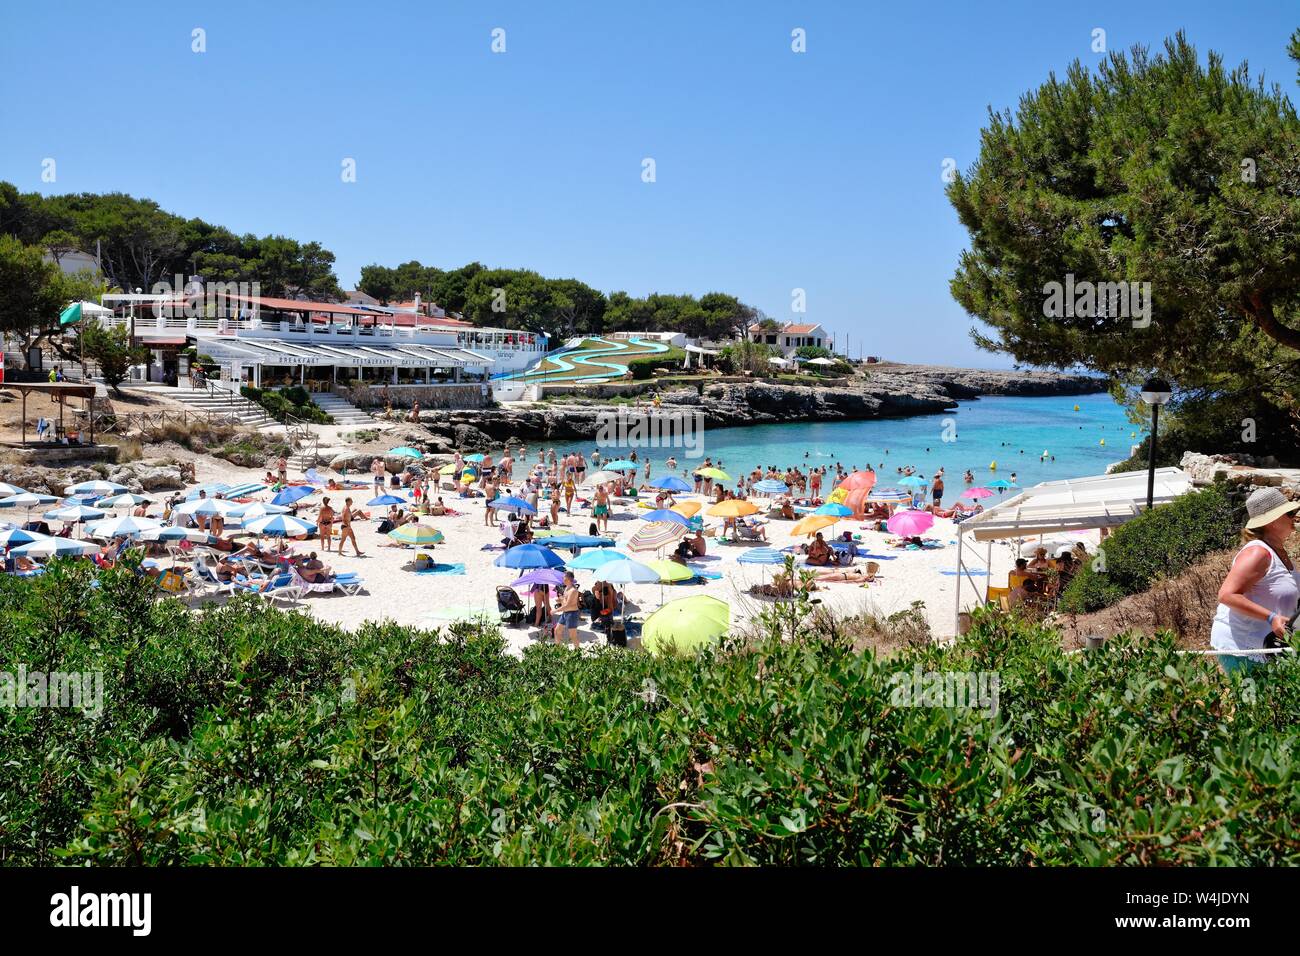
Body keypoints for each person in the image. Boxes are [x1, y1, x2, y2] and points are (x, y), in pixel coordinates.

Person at [1211, 487, 1300, 675]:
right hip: (1245, 648)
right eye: (1290, 513)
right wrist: (1271, 617)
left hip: (1269, 645)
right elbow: (1227, 595)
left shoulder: (1278, 552)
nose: (1295, 517)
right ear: (1273, 521)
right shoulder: (1257, 553)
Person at [555, 571, 582, 649]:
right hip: (565, 613)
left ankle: (577, 651)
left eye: (564, 577)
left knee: (573, 636)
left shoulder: (573, 590)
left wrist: (555, 611)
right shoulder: (567, 588)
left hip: (572, 614)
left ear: (568, 578)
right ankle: (557, 650)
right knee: (557, 631)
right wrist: (560, 599)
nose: (563, 579)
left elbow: (567, 605)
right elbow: (565, 601)